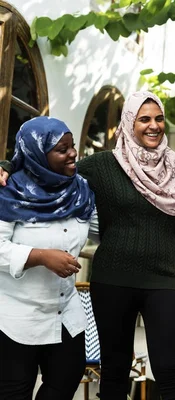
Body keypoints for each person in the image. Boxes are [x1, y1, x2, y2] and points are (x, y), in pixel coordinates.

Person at [0, 91, 175, 399]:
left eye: (158, 118)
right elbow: (39, 161)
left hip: (144, 286)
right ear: (130, 123)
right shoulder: (97, 167)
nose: (153, 125)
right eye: (144, 119)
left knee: (167, 371)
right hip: (80, 292)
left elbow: (105, 224)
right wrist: (6, 165)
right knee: (108, 371)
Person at [0, 117, 95, 399]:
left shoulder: (81, 190)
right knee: (14, 392)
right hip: (17, 318)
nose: (73, 154)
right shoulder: (9, 190)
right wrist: (40, 257)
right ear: (36, 153)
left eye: (72, 146)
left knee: (64, 384)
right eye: (62, 149)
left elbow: (104, 227)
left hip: (66, 313)